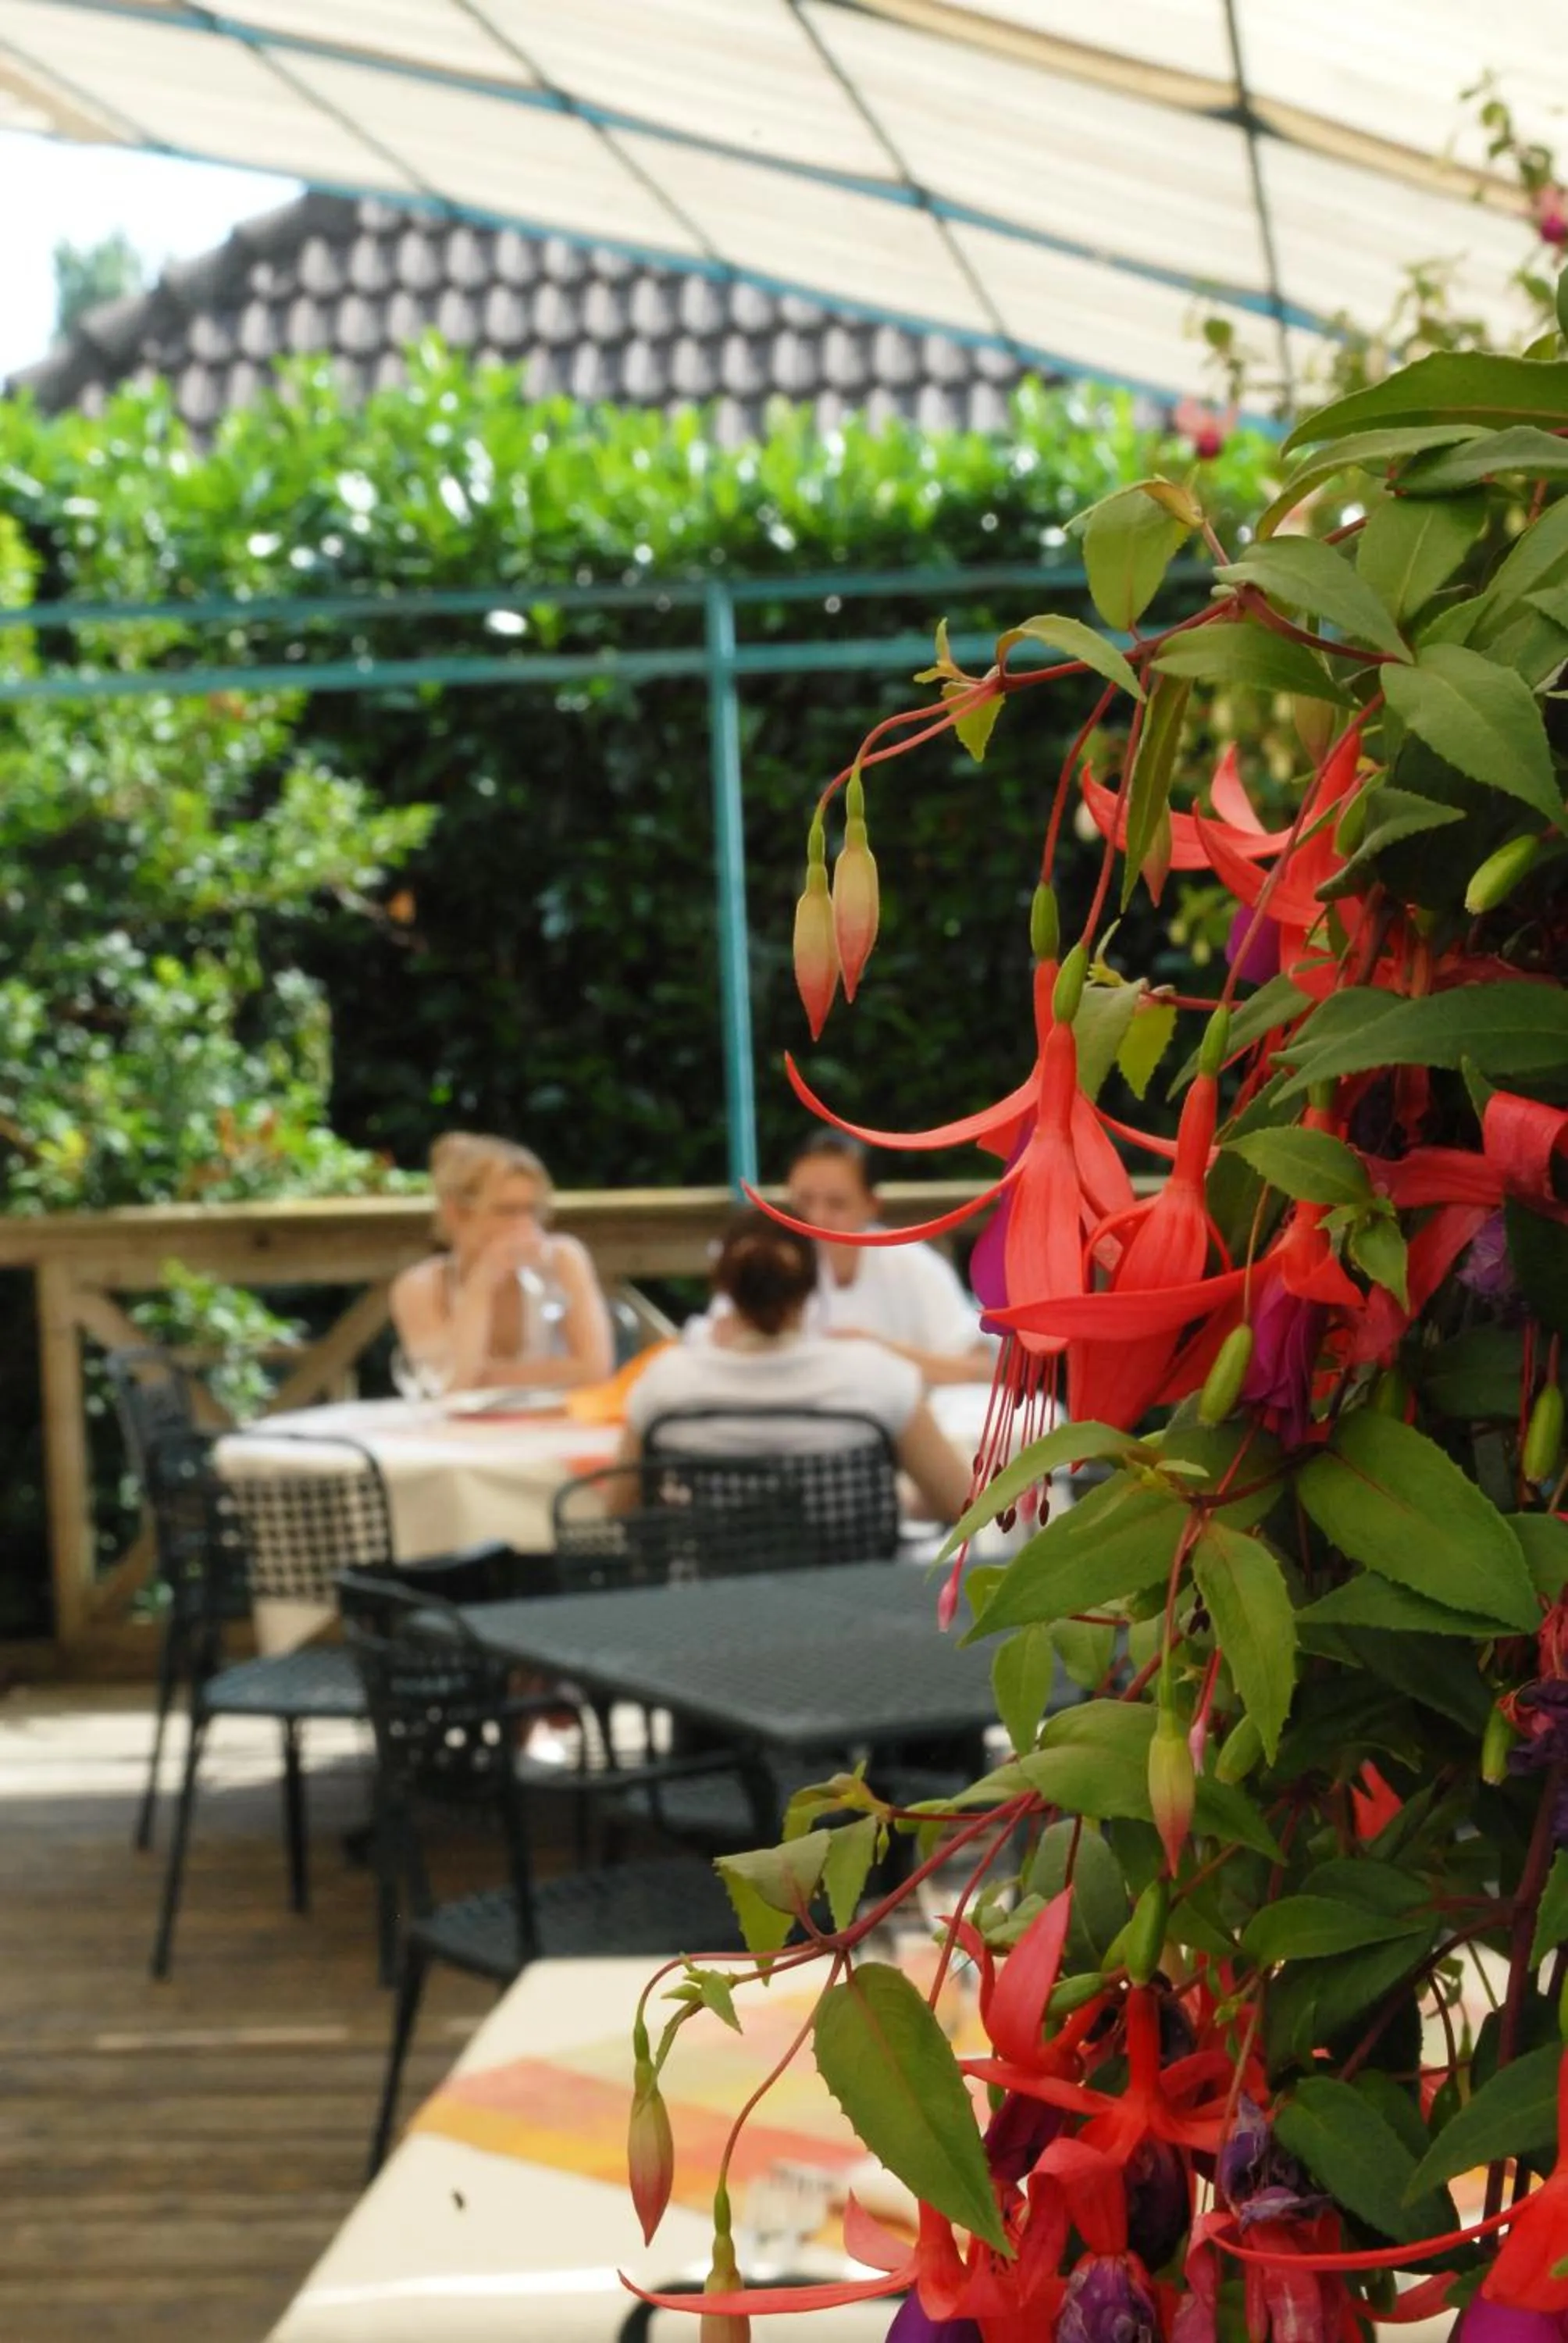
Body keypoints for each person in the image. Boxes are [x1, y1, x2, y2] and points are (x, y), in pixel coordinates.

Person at [617, 1209, 972, 1522]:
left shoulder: (665, 1383)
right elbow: (962, 1503)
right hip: (853, 1576)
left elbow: (619, 1509)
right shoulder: (879, 1378)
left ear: (724, 1283)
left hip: (715, 1577)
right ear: (813, 1283)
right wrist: (895, 1502)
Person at [390, 1133, 614, 1393]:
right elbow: (449, 1385)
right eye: (507, 1211)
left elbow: (595, 1370)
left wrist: (485, 1376)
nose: (524, 1225)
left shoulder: (563, 1258)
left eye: (531, 1210)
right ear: (455, 1214)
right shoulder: (418, 1287)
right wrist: (481, 1286)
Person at [783, 1135, 994, 1385]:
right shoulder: (777, 1265)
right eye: (804, 1202)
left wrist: (879, 1354)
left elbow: (982, 1368)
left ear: (871, 1205)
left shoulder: (912, 1264)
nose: (817, 1217)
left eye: (837, 1204)